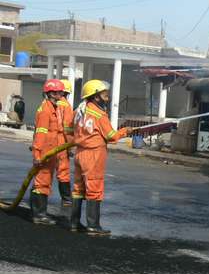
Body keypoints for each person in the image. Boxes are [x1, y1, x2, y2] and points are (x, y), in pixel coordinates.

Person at [71, 80, 134, 235]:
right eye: (104, 94)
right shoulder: (99, 114)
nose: (107, 97)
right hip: (93, 154)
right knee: (94, 189)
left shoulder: (80, 111)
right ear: (95, 97)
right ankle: (93, 226)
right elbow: (111, 136)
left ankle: (74, 223)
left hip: (80, 152)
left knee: (78, 189)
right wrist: (126, 131)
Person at [30, 79, 67, 225]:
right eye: (60, 92)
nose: (62, 94)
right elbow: (40, 134)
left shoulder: (53, 108)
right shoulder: (45, 111)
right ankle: (39, 215)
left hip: (51, 153)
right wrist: (37, 155)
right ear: (51, 93)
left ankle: (39, 213)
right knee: (42, 183)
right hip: (44, 153)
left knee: (44, 183)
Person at [56, 79, 75, 207]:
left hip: (47, 143)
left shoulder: (46, 104)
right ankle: (67, 199)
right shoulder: (66, 106)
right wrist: (70, 147)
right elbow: (67, 129)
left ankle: (38, 198)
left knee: (43, 172)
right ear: (67, 93)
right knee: (63, 172)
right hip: (61, 143)